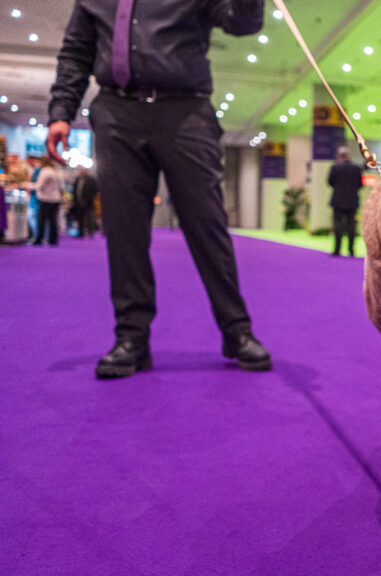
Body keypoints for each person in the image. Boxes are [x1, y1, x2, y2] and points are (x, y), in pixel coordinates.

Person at [47, 0, 271, 378]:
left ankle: (237, 331)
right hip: (116, 113)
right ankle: (131, 339)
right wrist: (60, 112)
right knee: (124, 233)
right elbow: (76, 51)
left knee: (208, 227)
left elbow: (242, 23)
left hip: (186, 114)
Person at [327, 146, 363, 257]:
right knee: (351, 226)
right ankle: (351, 250)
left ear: (339, 156)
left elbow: (330, 182)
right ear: (348, 155)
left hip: (338, 200)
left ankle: (337, 249)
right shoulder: (357, 168)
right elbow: (360, 184)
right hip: (352, 200)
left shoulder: (335, 168)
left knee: (338, 225)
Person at [29, 158, 63, 246]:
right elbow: (60, 186)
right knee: (53, 220)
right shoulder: (55, 171)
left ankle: (39, 239)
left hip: (46, 199)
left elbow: (39, 185)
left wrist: (27, 185)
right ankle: (53, 239)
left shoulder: (45, 171)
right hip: (55, 198)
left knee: (41, 220)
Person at [73, 167, 99, 238]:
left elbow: (95, 190)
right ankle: (80, 232)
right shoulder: (78, 179)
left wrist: (89, 198)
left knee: (90, 217)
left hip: (88, 202)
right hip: (78, 201)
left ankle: (91, 232)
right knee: (80, 218)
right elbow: (74, 190)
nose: (81, 172)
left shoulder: (91, 179)